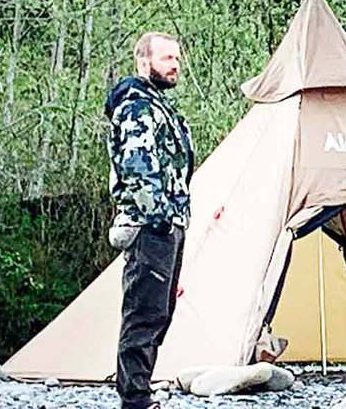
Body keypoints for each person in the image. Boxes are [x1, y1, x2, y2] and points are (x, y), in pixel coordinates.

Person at [105, 31, 194, 409]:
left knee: (159, 313)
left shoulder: (159, 105)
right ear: (144, 62)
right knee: (144, 313)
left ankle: (139, 392)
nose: (175, 65)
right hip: (149, 225)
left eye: (176, 58)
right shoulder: (135, 106)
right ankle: (135, 399)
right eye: (167, 58)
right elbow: (138, 167)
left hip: (168, 222)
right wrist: (158, 218)